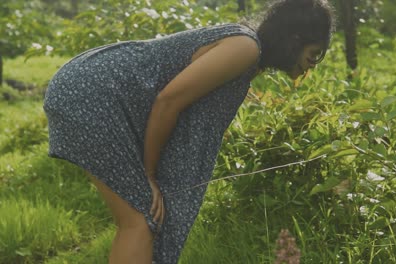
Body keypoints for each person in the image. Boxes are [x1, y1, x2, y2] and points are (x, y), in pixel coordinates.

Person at [42, 0, 335, 263]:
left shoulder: (249, 57)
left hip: (93, 89)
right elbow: (168, 102)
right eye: (313, 55)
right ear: (294, 40)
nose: (310, 67)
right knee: (141, 219)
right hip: (92, 92)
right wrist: (149, 175)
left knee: (143, 218)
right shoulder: (245, 47)